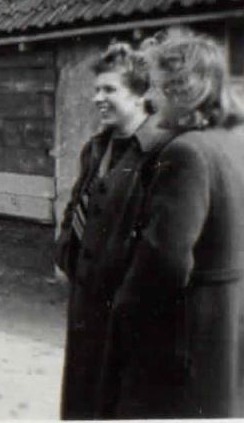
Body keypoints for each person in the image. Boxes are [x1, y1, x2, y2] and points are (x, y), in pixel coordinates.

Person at [106, 27, 244, 418]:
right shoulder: (234, 142)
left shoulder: (186, 152)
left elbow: (164, 259)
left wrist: (123, 310)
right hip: (227, 327)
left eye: (157, 88)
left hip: (184, 338)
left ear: (183, 93)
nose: (149, 99)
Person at [54, 42, 175, 419]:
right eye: (96, 90)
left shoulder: (162, 152)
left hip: (127, 315)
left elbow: (161, 243)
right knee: (81, 401)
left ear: (139, 94)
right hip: (84, 306)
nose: (97, 98)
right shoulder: (95, 148)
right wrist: (66, 251)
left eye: (109, 89)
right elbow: (75, 207)